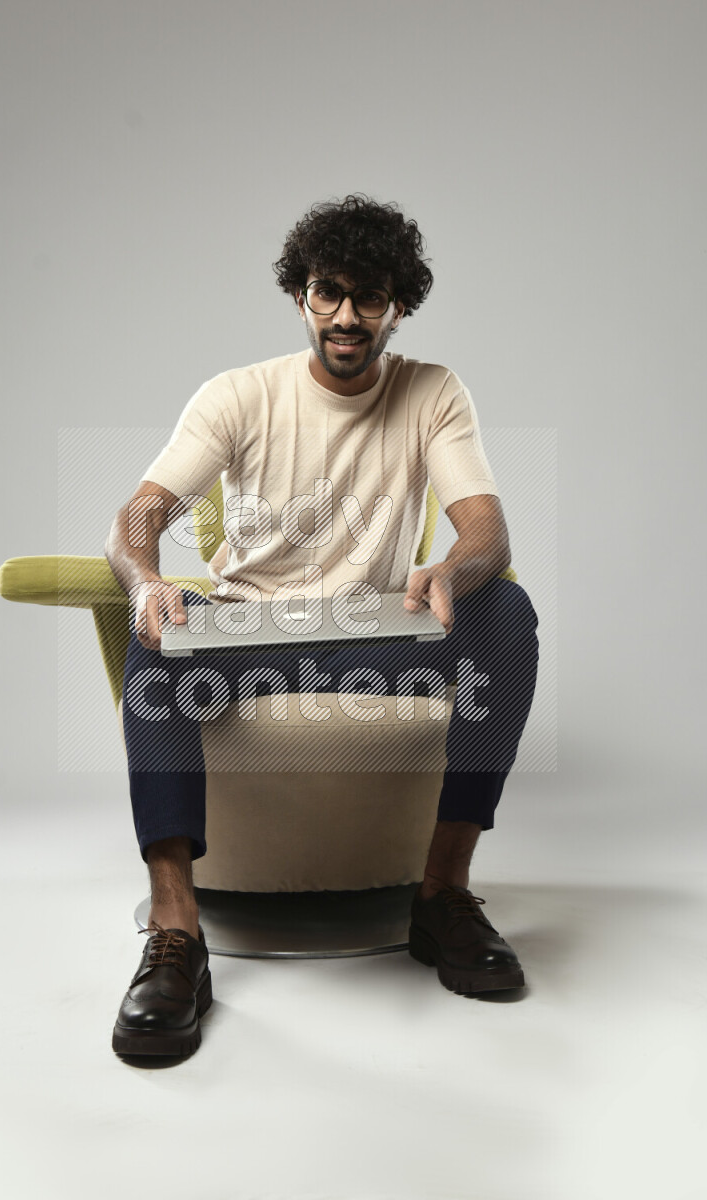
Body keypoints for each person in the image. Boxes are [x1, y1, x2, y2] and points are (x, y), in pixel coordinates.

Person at [104, 194, 540, 1059]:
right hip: (247, 633)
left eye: (367, 296)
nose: (345, 316)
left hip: (369, 634)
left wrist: (453, 569)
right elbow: (138, 517)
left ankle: (443, 894)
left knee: (506, 611)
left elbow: (488, 532)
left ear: (397, 304)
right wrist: (148, 580)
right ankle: (176, 934)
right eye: (326, 293)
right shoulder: (239, 395)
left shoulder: (432, 391)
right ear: (301, 297)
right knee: (153, 642)